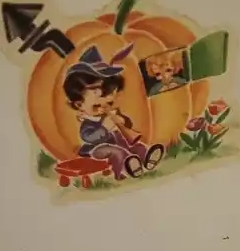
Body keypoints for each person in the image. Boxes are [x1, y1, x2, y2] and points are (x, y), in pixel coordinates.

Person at [63, 45, 164, 180]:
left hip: (118, 142)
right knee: (117, 152)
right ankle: (125, 170)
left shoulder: (111, 114)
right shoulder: (87, 123)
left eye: (109, 103)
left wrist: (122, 121)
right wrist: (104, 127)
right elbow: (89, 137)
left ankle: (147, 158)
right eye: (96, 106)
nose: (103, 108)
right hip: (97, 149)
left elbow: (127, 124)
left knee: (136, 146)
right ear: (79, 105)